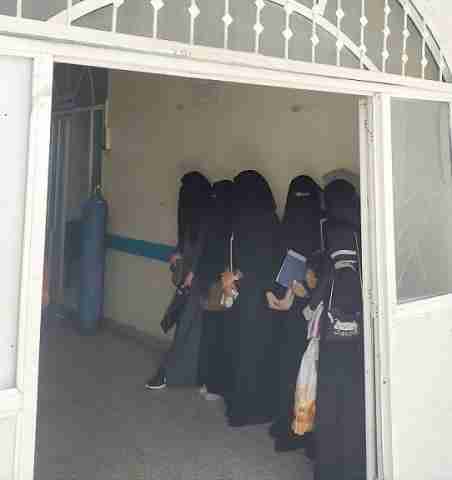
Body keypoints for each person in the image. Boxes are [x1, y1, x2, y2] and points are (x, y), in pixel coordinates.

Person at [265, 175, 323, 452]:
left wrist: (305, 295)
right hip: (290, 310)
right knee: (290, 369)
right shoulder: (309, 225)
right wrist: (283, 294)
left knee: (303, 374)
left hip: (311, 316)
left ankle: (299, 428)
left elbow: (323, 273)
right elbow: (280, 260)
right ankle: (288, 423)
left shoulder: (319, 228)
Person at [314, 179, 366, 480]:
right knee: (356, 397)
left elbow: (333, 278)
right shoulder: (364, 227)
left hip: (337, 330)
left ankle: (332, 468)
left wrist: (310, 305)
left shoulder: (334, 231)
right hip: (364, 326)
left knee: (333, 396)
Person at [221, 170, 281, 427]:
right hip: (262, 299)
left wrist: (234, 277)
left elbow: (247, 260)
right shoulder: (270, 221)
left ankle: (243, 408)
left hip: (248, 299)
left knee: (245, 352)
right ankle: (258, 408)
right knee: (258, 352)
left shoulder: (243, 222)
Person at [146, 172, 212, 389]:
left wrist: (192, 273)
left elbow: (201, 247)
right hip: (191, 279)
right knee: (187, 327)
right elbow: (187, 242)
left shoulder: (202, 217)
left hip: (195, 281)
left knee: (185, 328)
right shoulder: (196, 214)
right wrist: (179, 253)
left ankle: (168, 374)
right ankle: (179, 373)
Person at [197, 180, 235, 400]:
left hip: (206, 284)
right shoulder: (229, 222)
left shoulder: (209, 218)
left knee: (208, 335)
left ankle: (206, 381)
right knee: (219, 337)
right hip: (220, 287)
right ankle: (214, 386)